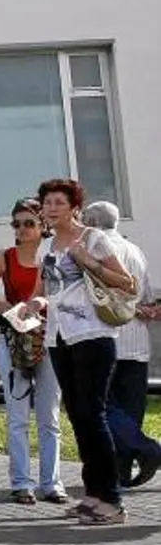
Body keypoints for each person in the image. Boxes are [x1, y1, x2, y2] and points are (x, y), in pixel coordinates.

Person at [26, 179, 140, 524]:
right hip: (59, 336)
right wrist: (34, 304)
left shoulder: (93, 238)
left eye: (59, 202)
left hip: (93, 334)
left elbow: (126, 282)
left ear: (74, 207)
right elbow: (45, 289)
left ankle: (113, 499)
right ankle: (92, 494)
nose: (52, 208)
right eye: (47, 203)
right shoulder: (46, 246)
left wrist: (87, 260)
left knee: (94, 414)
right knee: (77, 415)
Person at [0, 197, 66, 505]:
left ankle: (51, 482)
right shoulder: (5, 257)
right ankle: (22, 481)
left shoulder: (53, 257)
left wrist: (40, 307)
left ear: (43, 226)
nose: (22, 229)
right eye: (17, 223)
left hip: (50, 339)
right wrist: (9, 308)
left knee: (50, 414)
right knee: (17, 413)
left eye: (29, 223)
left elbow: (64, 294)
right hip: (14, 340)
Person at [77, 202, 161, 487]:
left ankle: (146, 448)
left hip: (106, 337)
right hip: (137, 342)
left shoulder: (94, 249)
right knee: (129, 409)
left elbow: (94, 292)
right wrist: (146, 310)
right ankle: (121, 473)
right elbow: (145, 293)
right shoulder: (134, 249)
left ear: (90, 221)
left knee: (100, 407)